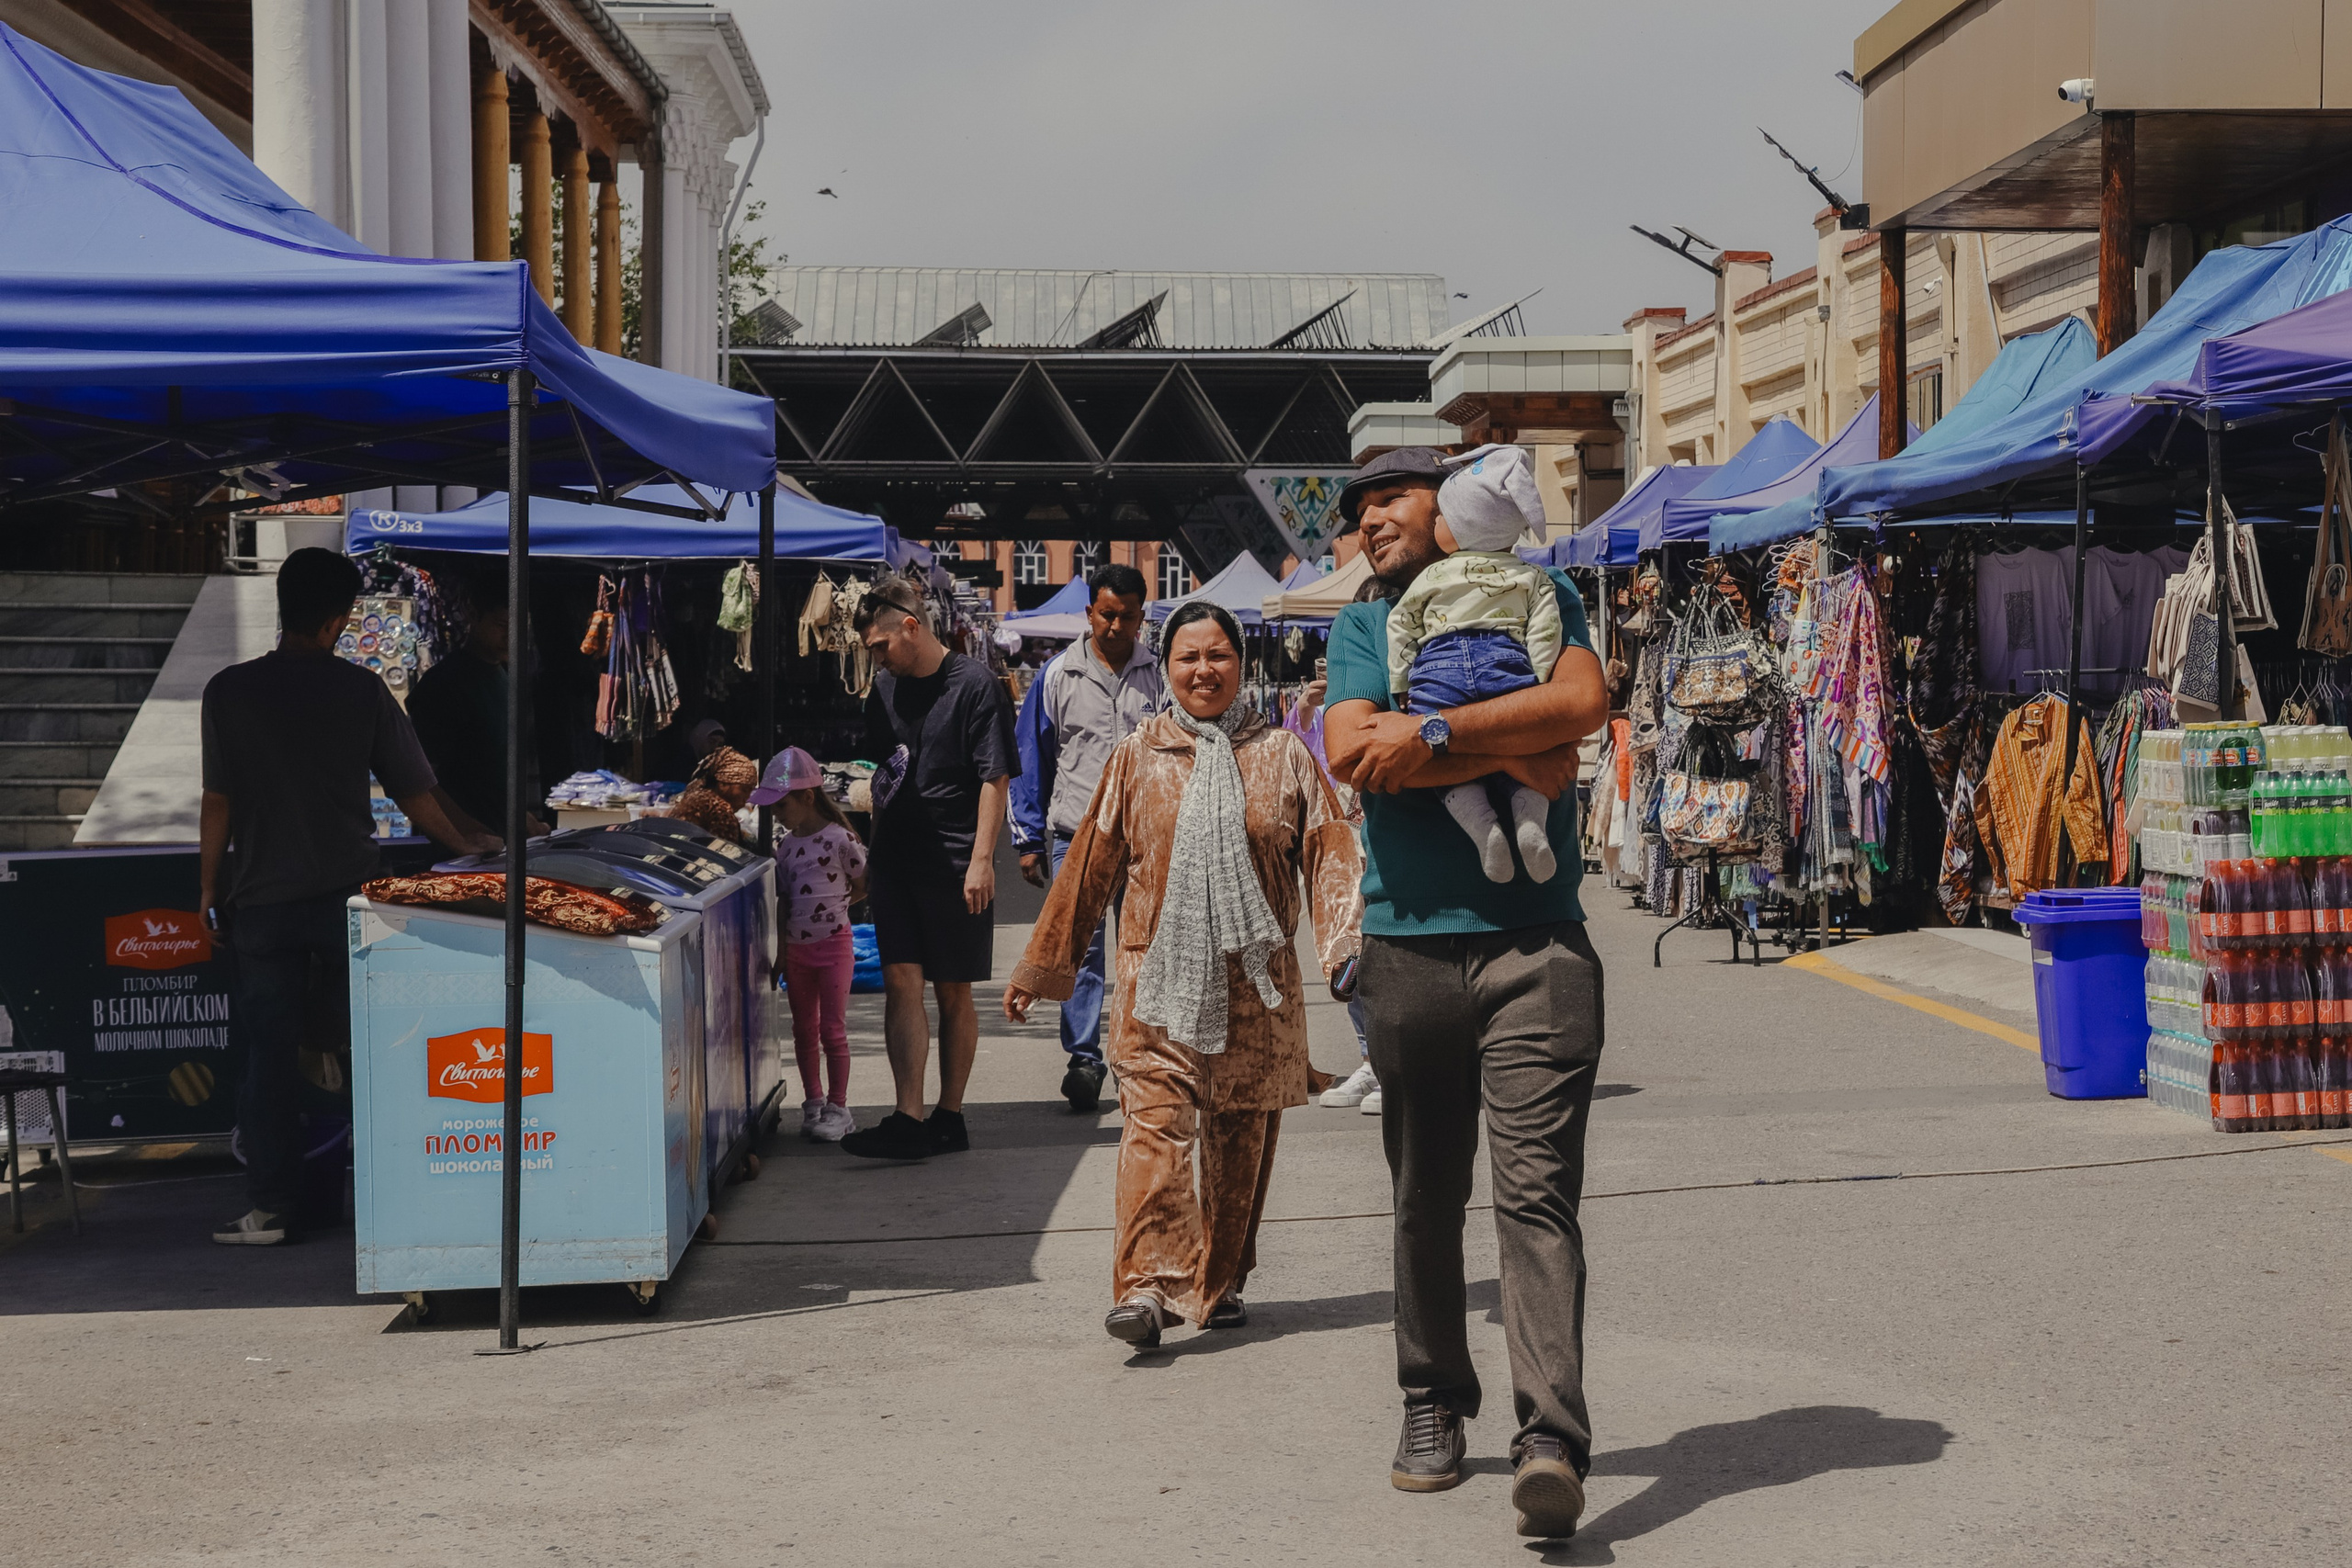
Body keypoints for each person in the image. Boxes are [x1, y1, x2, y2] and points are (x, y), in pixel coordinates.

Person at [1321, 447, 1609, 1540]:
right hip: (1408, 951)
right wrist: (1517, 741)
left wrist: (1433, 732)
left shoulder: (1543, 588)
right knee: (1421, 1194)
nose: (1369, 519)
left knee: (1537, 1198)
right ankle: (1432, 1398)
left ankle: (1550, 1438)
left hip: (1538, 948)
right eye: (1357, 510)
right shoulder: (1364, 625)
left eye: (1388, 497)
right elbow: (1353, 748)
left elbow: (1579, 701)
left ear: (1447, 507)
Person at [1004, 602, 1361, 1347]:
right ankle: (1146, 1287)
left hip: (1256, 994)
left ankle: (1218, 1279)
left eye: (1218, 655)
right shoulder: (1139, 754)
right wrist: (1044, 967)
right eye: (1188, 657)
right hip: (1154, 987)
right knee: (1154, 1130)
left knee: (1239, 1147)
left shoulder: (1285, 754)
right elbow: (1091, 866)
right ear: (1165, 669)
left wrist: (1347, 951)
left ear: (1241, 664)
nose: (1204, 670)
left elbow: (1331, 852)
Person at [199, 548, 501, 1247]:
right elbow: (415, 795)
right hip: (348, 902)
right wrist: (471, 840)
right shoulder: (361, 691)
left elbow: (218, 801)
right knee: (377, 1048)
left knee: (268, 1058)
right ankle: (393, 1190)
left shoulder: (227, 691)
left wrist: (209, 886)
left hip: (262, 905)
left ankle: (270, 1209)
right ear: (339, 620)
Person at [838, 577, 1018, 1161]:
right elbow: (884, 775)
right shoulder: (883, 691)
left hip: (955, 857)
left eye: (879, 645)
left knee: (953, 990)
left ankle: (950, 1113)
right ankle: (908, 1116)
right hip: (897, 857)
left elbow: (995, 777)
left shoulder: (976, 685)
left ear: (910, 626)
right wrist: (866, 852)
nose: (875, 656)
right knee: (899, 980)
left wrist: (983, 860)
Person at [1012, 562, 1163, 1112]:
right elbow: (1031, 760)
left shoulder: (1161, 675)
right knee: (1080, 954)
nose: (1116, 626)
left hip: (1147, 840)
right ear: (1089, 614)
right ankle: (1084, 1059)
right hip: (1075, 836)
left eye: (1127, 616)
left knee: (1144, 949)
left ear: (1142, 618)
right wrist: (1028, 839)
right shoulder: (1056, 676)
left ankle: (1139, 1053)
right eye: (1106, 614)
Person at [1385, 444, 1564, 884]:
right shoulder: (1531, 575)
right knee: (1526, 746)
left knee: (1436, 753)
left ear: (1462, 527)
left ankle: (1483, 829)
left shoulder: (1432, 574)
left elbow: (1401, 623)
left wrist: (1402, 680)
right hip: (1506, 663)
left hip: (1439, 670)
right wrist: (1538, 681)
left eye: (1443, 517)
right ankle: (1528, 821)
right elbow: (1545, 632)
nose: (1437, 524)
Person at [750, 746, 868, 1143]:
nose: (777, 815)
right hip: (797, 954)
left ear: (807, 798)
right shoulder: (784, 848)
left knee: (832, 1030)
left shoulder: (840, 840)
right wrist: (782, 953)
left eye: (781, 806)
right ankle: (813, 1102)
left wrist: (836, 909)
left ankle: (839, 1106)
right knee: (804, 1030)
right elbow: (783, 903)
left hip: (834, 948)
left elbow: (863, 883)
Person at [1288, 671, 1380, 1113]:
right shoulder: (1327, 713)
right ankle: (1370, 1058)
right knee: (1352, 956)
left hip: (1390, 837)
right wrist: (1305, 708)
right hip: (1344, 851)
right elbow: (1294, 763)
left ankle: (1394, 1063)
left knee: (1394, 952)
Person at [405, 576, 547, 840]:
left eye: (520, 627)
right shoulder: (444, 685)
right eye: (502, 625)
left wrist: (523, 819)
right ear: (471, 614)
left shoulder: (503, 676)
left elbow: (492, 774)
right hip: (460, 851)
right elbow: (420, 782)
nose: (511, 637)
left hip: (499, 842)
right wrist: (466, 831)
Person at [666, 743, 759, 841]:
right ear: (723, 784)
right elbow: (727, 852)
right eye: (744, 790)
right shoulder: (719, 809)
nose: (746, 798)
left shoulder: (693, 798)